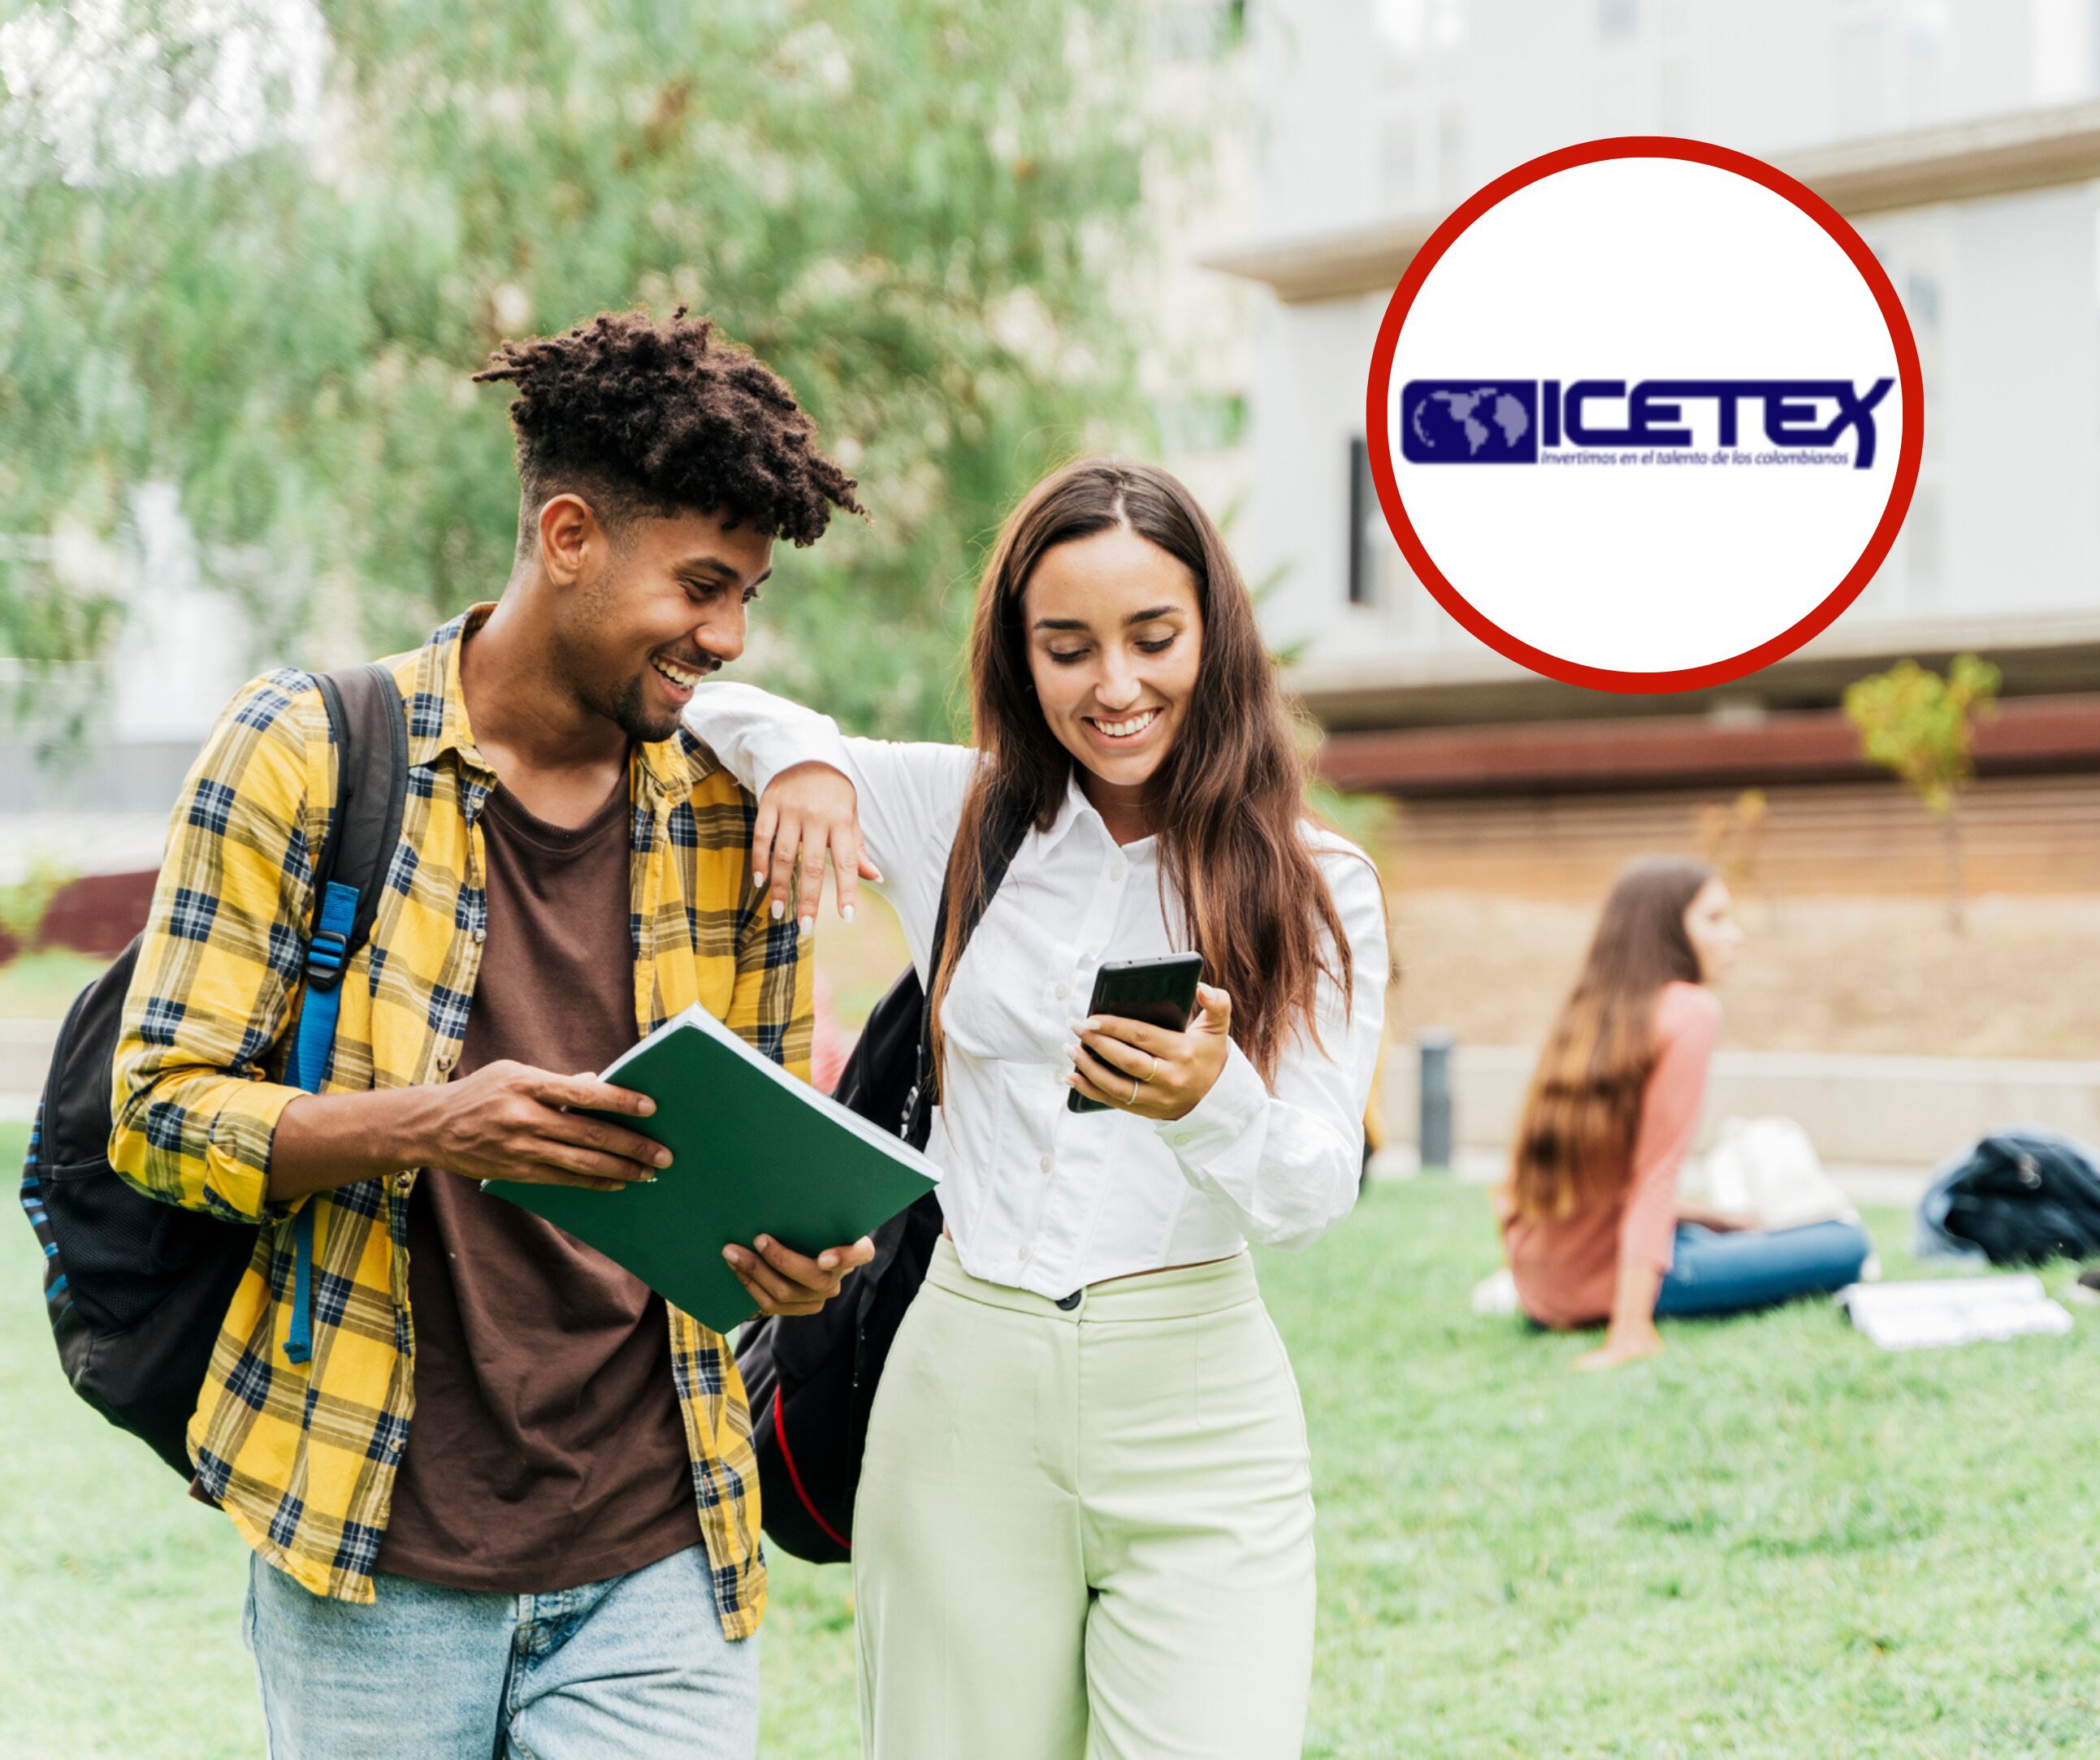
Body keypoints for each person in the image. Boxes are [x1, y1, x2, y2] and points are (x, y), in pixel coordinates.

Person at [109, 308, 877, 1758]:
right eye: (703, 585)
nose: (726, 636)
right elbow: (154, 1113)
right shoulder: (306, 751)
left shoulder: (737, 811)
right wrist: (432, 1123)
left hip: (661, 1550)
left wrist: (798, 1256)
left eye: (749, 599)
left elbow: (765, 1153)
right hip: (374, 1548)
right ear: (570, 535)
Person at [684, 457, 1391, 1760]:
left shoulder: (1317, 881)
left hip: (1198, 1395)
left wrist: (1207, 1098)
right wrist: (808, 766)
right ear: (1021, 656)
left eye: (1152, 638)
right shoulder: (958, 812)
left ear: (1214, 639)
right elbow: (707, 705)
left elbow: (1309, 1190)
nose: (1113, 685)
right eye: (1066, 647)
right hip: (965, 1381)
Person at [1497, 858, 1871, 1368]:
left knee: (1740, 1226)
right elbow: (1655, 1175)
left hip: (1542, 1285)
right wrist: (1629, 1332)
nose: (1734, 936)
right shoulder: (1690, 1011)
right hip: (1606, 1284)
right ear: (1666, 931)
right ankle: (1630, 1307)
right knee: (1844, 1242)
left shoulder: (1588, 1012)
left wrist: (1717, 1218)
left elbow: (1558, 1180)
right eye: (1715, 920)